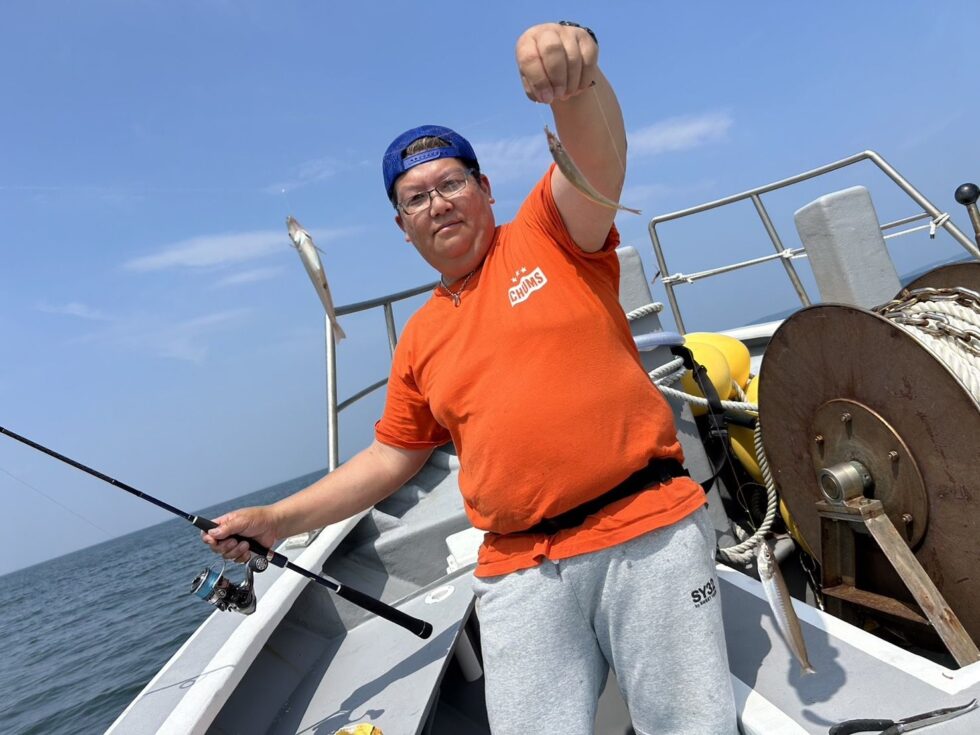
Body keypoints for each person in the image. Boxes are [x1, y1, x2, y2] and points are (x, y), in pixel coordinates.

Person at [203, 22, 737, 735]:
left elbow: (597, 162)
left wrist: (573, 85)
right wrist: (277, 520)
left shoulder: (550, 233)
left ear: (485, 189)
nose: (438, 203)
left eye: (451, 182)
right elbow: (391, 457)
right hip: (518, 567)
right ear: (403, 227)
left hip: (644, 528)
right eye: (415, 198)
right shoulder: (419, 339)